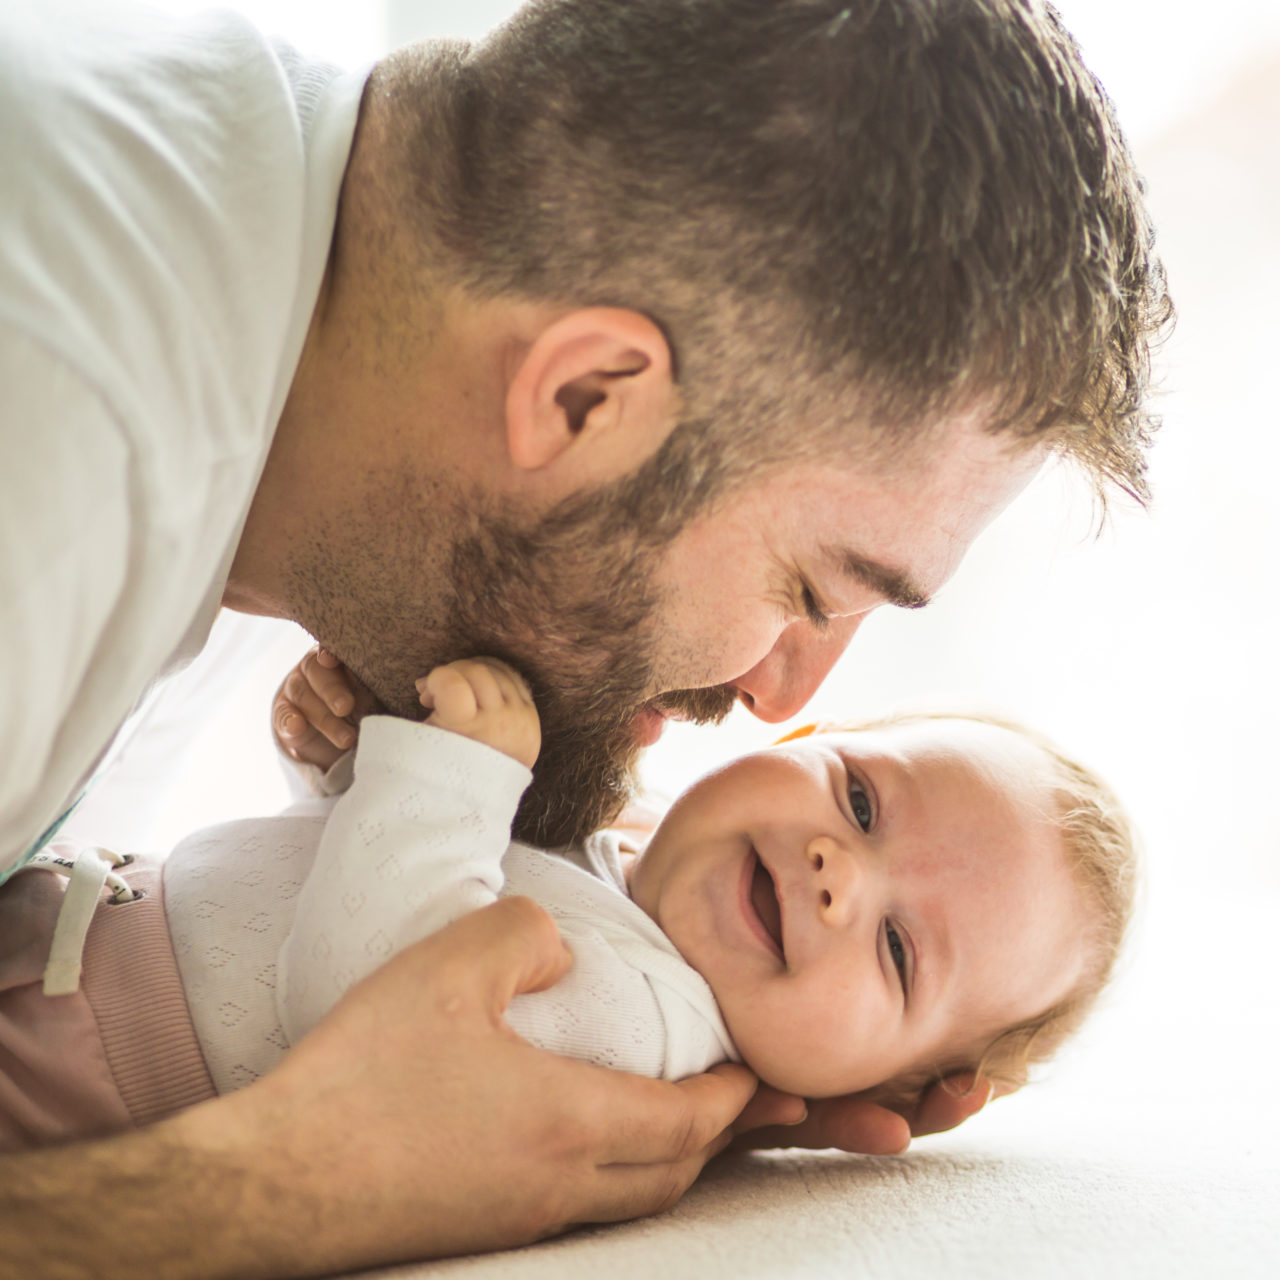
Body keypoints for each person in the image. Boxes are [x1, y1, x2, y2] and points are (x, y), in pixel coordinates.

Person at [0, 0, 1168, 1270]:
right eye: (812, 588)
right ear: (583, 399)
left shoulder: (296, 350)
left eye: (899, 949)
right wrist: (299, 1177)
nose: (782, 695)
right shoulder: (51, 445)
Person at [1, 657, 1136, 1150]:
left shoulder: (646, 1021)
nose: (842, 870)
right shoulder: (618, 851)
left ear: (890, 1084)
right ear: (798, 739)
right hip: (68, 928)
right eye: (860, 799)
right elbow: (363, 866)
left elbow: (364, 1008)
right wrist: (347, 758)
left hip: (69, 1071)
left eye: (896, 947)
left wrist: (443, 775)